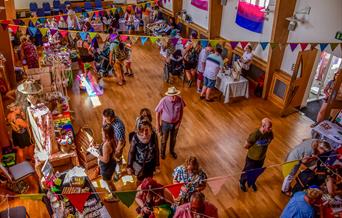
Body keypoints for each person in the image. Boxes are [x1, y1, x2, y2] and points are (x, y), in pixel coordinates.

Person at [239, 118, 273, 192]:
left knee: (256, 172)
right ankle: (242, 182)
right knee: (247, 172)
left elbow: (270, 139)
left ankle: (252, 182)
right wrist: (254, 152)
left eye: (271, 127)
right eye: (269, 127)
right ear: (263, 126)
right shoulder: (255, 134)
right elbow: (246, 146)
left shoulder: (269, 133)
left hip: (261, 158)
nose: (270, 129)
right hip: (252, 159)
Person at [155, 87, 185, 159]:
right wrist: (157, 124)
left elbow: (181, 111)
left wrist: (179, 123)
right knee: (164, 139)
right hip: (165, 124)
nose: (174, 97)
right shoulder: (164, 100)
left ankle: (172, 151)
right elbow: (157, 112)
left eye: (175, 95)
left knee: (173, 139)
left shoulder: (180, 100)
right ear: (168, 95)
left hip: (176, 123)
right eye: (172, 96)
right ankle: (162, 153)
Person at [127, 119, 160, 184]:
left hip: (150, 163)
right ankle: (139, 191)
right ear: (139, 130)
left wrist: (157, 165)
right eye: (142, 130)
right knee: (139, 180)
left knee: (149, 180)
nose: (144, 133)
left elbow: (156, 150)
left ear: (150, 129)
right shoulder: (135, 137)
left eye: (146, 130)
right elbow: (131, 152)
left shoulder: (153, 136)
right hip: (139, 164)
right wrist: (129, 166)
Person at [94, 124, 119, 202]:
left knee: (109, 183)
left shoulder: (106, 145)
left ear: (107, 134)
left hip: (107, 167)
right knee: (110, 181)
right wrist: (98, 147)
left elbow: (105, 160)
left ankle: (115, 197)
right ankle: (114, 194)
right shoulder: (111, 140)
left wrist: (96, 155)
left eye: (102, 132)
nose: (101, 133)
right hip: (111, 164)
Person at [102, 108, 126, 177]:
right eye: (104, 118)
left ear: (111, 119)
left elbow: (121, 142)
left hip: (117, 144)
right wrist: (104, 136)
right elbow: (103, 123)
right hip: (112, 141)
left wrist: (116, 152)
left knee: (117, 158)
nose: (105, 121)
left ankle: (118, 172)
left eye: (106, 120)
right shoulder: (107, 119)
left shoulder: (118, 127)